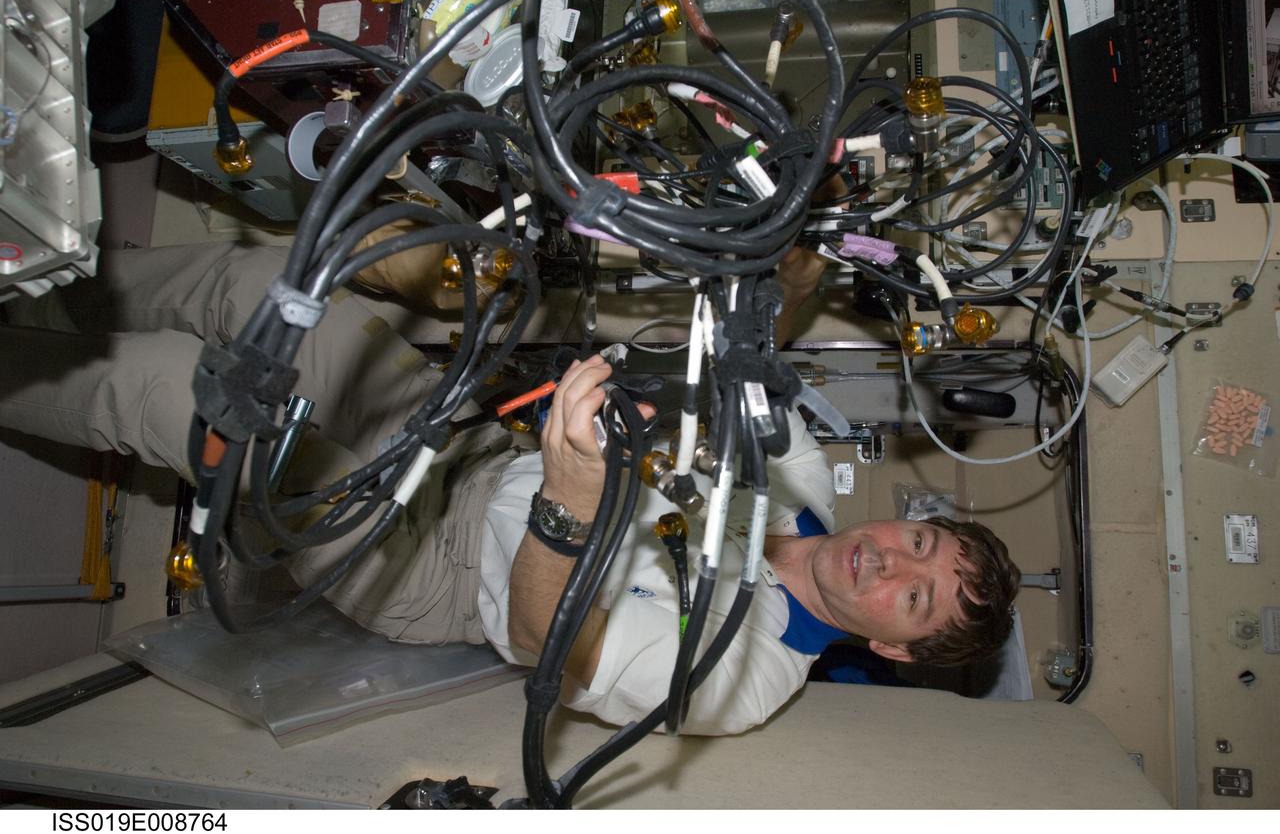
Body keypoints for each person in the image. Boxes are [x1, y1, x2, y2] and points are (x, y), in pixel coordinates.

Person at [0, 229, 1020, 736]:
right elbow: (747, 364)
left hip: (426, 571)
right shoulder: (800, 489)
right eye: (920, 543)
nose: (891, 556)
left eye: (913, 596)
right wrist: (782, 273)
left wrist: (573, 505)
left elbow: (544, 646)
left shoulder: (740, 679)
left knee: (187, 396)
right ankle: (35, 258)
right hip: (466, 444)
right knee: (274, 286)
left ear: (888, 644)